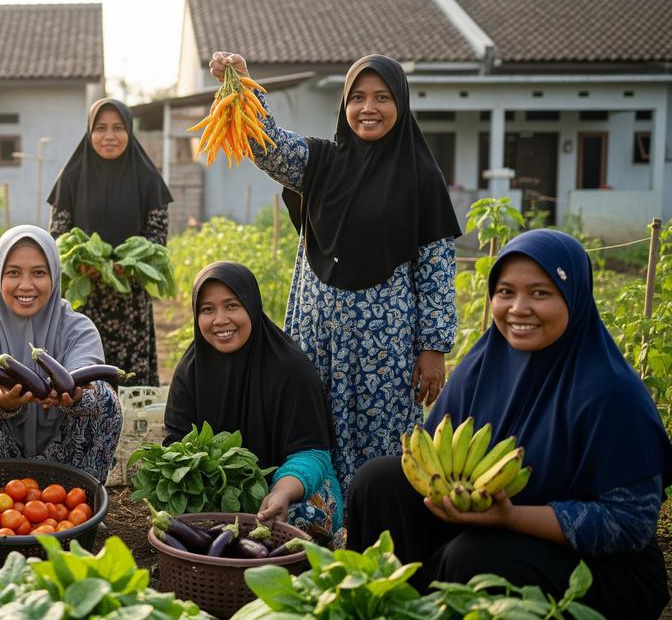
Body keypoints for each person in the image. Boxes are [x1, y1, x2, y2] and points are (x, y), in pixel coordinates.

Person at [346, 230, 672, 620]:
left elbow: (628, 525)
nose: (518, 308)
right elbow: (436, 455)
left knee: (472, 561)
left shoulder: (610, 391)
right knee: (378, 481)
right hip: (493, 529)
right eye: (505, 292)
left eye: (540, 293)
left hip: (602, 568)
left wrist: (513, 517)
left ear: (574, 296)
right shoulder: (484, 364)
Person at [207, 52, 462, 493]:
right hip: (315, 336)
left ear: (400, 104)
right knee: (311, 429)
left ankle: (374, 522)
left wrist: (434, 347)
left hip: (383, 347)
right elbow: (268, 147)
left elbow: (437, 268)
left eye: (382, 97)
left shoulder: (421, 175)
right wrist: (242, 86)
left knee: (380, 442)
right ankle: (315, 520)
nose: (368, 108)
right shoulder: (321, 162)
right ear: (344, 104)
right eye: (357, 97)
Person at [164, 262, 343, 544]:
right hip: (223, 494)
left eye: (231, 306)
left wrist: (281, 493)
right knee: (182, 521)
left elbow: (312, 455)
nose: (220, 320)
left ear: (251, 305)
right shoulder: (191, 370)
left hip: (291, 490)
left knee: (299, 519)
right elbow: (176, 444)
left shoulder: (290, 367)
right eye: (207, 309)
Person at [0, 225, 123, 483]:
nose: (26, 285)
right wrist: (2, 401)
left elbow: (86, 382)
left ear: (55, 275)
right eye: (13, 273)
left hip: (64, 461)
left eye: (39, 273)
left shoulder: (80, 329)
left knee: (105, 398)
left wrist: (75, 397)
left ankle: (82, 492)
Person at [47, 98, 174, 387]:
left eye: (118, 128)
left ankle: (130, 414)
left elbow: (157, 235)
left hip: (130, 296)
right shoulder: (72, 175)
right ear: (89, 131)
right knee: (83, 371)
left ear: (129, 131)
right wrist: (81, 264)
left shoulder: (147, 177)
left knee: (130, 377)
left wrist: (130, 265)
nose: (109, 136)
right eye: (101, 128)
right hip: (84, 296)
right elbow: (58, 234)